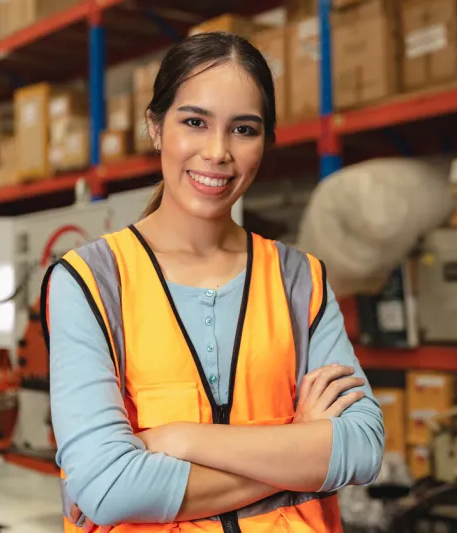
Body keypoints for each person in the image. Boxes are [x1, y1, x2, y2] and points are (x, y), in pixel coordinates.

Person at [43, 32, 384, 533]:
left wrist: (179, 438)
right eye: (195, 122)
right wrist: (301, 448)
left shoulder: (299, 280)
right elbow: (110, 487)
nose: (218, 151)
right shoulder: (90, 281)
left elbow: (362, 448)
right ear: (156, 128)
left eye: (243, 129)